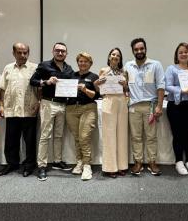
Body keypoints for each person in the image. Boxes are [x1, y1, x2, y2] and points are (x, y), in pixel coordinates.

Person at [30, 42, 74, 181]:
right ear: (53, 51)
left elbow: (72, 85)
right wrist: (46, 82)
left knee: (59, 135)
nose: (60, 53)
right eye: (58, 50)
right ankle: (42, 166)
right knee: (45, 135)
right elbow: (33, 81)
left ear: (66, 53)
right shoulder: (44, 65)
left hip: (63, 105)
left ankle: (57, 161)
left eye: (63, 51)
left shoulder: (69, 68)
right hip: (48, 103)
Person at [0, 43, 39, 177]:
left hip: (29, 110)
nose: (22, 55)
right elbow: (2, 88)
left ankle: (29, 165)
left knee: (30, 141)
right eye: (19, 52)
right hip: (11, 109)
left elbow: (40, 89)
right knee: (11, 140)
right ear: (14, 53)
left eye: (25, 52)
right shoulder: (8, 68)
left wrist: (39, 102)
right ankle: (11, 164)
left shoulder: (35, 68)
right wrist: (1, 106)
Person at [124, 38, 165, 176]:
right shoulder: (128, 66)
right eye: (136, 49)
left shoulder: (155, 65)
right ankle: (138, 162)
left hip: (150, 106)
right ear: (133, 51)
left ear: (145, 49)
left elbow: (160, 86)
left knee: (151, 136)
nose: (139, 51)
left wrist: (159, 106)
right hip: (133, 107)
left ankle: (152, 162)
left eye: (141, 49)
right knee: (136, 137)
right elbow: (125, 86)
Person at [165, 42, 188, 176]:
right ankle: (179, 161)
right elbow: (167, 86)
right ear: (177, 55)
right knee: (178, 135)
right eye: (180, 52)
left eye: (186, 52)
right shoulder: (171, 69)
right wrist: (181, 90)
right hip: (176, 106)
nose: (183, 54)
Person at [94, 47, 129, 178]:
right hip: (108, 100)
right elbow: (98, 89)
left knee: (121, 134)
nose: (115, 56)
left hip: (121, 101)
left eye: (118, 55)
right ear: (109, 56)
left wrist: (125, 85)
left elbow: (126, 89)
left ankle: (122, 165)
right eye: (113, 54)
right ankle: (110, 167)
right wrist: (97, 82)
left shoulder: (123, 72)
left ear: (120, 59)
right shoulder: (103, 70)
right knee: (109, 134)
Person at [65, 52, 100, 181]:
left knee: (84, 137)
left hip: (88, 109)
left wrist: (85, 89)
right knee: (77, 138)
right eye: (80, 61)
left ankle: (87, 165)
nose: (83, 63)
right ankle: (79, 161)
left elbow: (96, 95)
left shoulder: (94, 76)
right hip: (71, 109)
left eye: (85, 61)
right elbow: (64, 91)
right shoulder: (71, 76)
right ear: (77, 62)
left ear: (90, 63)